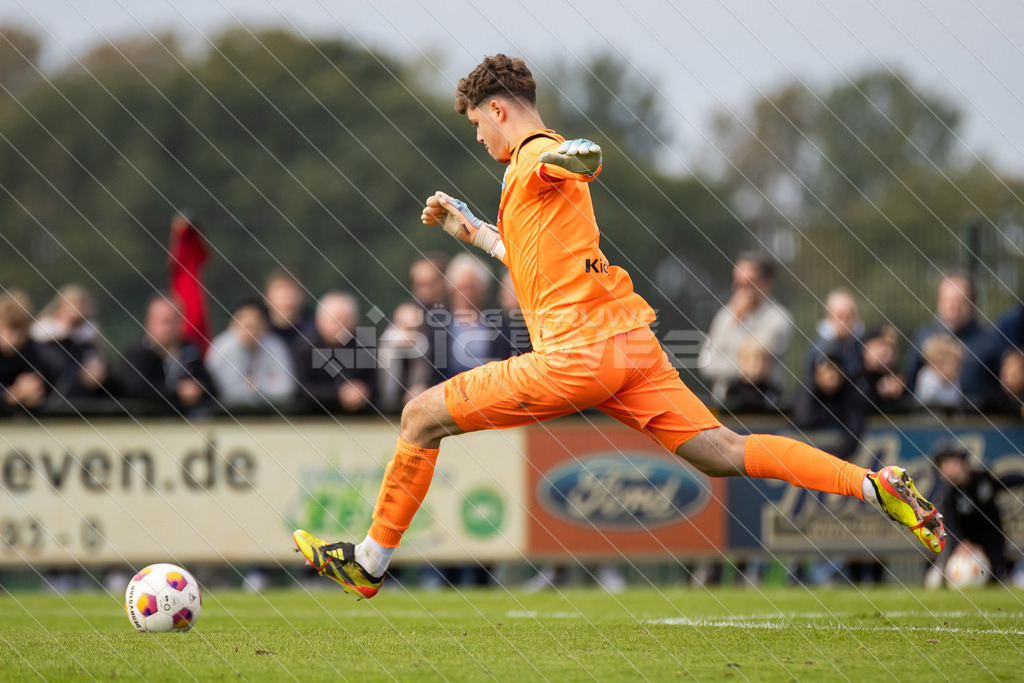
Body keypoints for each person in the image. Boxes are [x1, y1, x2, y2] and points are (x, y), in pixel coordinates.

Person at [292, 54, 945, 599]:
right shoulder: (529, 180)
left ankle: (370, 562)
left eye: (475, 126)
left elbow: (575, 156)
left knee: (418, 415)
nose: (479, 140)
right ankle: (875, 485)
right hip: (628, 346)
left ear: (498, 109)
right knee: (720, 452)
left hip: (576, 354)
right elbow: (534, 253)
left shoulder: (535, 156)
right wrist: (470, 228)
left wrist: (579, 153)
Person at [698, 251, 793, 402]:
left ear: (766, 283)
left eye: (749, 283)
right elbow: (706, 363)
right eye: (737, 283)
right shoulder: (726, 315)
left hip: (763, 408)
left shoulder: (779, 319)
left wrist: (738, 323)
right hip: (725, 405)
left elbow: (754, 364)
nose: (740, 289)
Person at [928, 441, 1024, 583]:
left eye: (953, 463)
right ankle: (942, 571)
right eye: (944, 466)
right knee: (936, 581)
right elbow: (950, 524)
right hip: (965, 545)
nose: (950, 469)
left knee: (998, 577)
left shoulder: (982, 479)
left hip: (991, 542)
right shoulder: (948, 494)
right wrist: (962, 543)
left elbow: (1002, 484)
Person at [905, 273, 1002, 408]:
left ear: (973, 304)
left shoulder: (990, 341)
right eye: (948, 300)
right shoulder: (924, 335)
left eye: (960, 301)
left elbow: (1002, 387)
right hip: (930, 422)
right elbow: (910, 381)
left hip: (976, 422)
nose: (953, 307)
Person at [120, 296, 212, 411]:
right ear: (149, 322)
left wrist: (198, 388)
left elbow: (209, 385)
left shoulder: (190, 351)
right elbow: (137, 388)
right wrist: (176, 391)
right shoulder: (136, 353)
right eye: (165, 322)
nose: (170, 328)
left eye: (175, 321)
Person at [292, 292, 376, 414]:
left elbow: (375, 386)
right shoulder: (304, 349)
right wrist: (338, 394)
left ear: (355, 321)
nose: (340, 326)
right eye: (334, 321)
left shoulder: (365, 348)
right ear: (319, 321)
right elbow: (302, 389)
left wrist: (363, 391)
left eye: (345, 320)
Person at [31, 284, 112, 407]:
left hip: (85, 408)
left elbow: (112, 381)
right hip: (47, 411)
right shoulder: (39, 342)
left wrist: (100, 376)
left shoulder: (92, 344)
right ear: (57, 310)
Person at [205, 299, 295, 408]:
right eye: (246, 326)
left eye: (254, 326)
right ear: (233, 324)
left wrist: (258, 387)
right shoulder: (221, 348)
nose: (250, 332)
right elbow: (227, 394)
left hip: (269, 412)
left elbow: (287, 389)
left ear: (264, 326)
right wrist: (264, 385)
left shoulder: (275, 345)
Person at [442, 253, 499, 379]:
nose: (465, 293)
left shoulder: (498, 325)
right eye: (460, 287)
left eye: (470, 287)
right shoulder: (439, 324)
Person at [377, 301, 433, 413]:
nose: (411, 334)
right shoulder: (379, 352)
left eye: (416, 328)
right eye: (407, 327)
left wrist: (423, 390)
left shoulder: (426, 353)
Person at [0, 291, 49, 415]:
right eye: (8, 329)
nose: (14, 338)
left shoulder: (33, 350)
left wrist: (34, 393)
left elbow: (40, 382)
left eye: (19, 330)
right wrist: (10, 396)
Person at [722, 337, 782, 413]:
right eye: (750, 361)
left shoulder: (771, 390)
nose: (758, 365)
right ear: (741, 361)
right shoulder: (733, 389)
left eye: (762, 361)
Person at [861, 324, 909, 413]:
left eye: (890, 346)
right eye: (879, 345)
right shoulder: (857, 377)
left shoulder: (899, 377)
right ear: (866, 348)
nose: (884, 351)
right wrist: (878, 393)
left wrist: (899, 394)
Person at [264, 269, 317, 348]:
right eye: (282, 295)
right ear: (267, 297)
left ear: (303, 297)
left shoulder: (317, 334)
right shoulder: (258, 335)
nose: (287, 301)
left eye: (292, 294)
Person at [914, 335, 965, 410]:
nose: (960, 369)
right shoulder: (928, 380)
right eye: (955, 364)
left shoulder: (954, 383)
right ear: (939, 363)